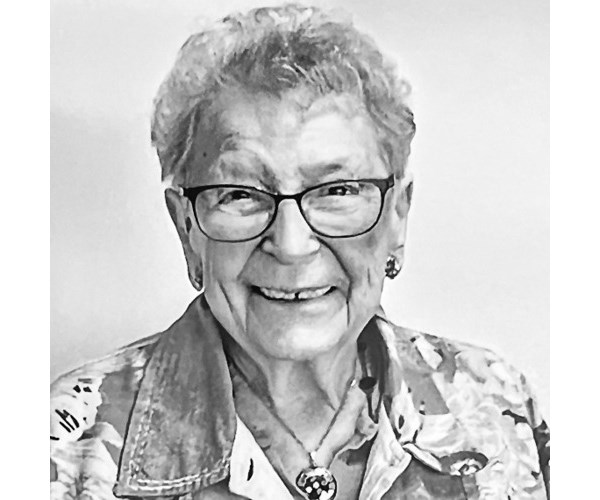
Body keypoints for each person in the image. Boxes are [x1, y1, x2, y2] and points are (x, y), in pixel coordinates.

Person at [50, 4, 549, 499]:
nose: (291, 246)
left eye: (338, 191)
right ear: (187, 229)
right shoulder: (61, 452)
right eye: (240, 194)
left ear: (398, 216)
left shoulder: (498, 409)